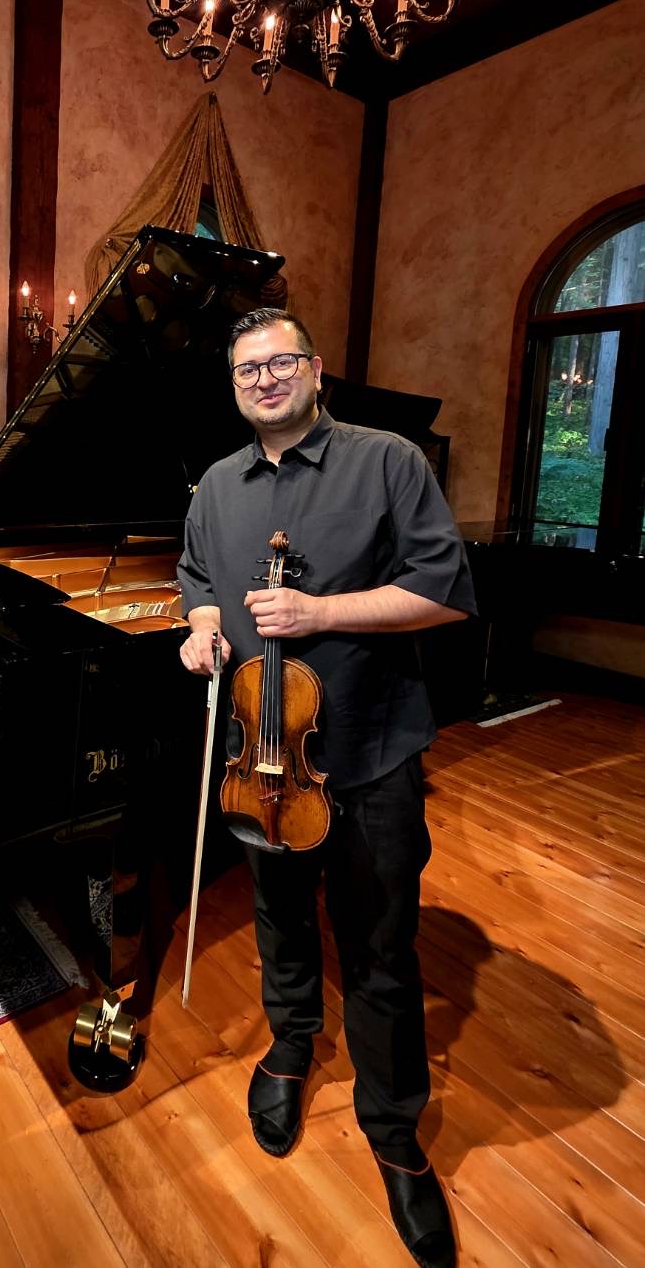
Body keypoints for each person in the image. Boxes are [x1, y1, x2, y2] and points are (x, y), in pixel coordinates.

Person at [177, 308, 476, 1268]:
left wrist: (320, 610)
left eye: (281, 362)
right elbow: (197, 577)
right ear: (234, 384)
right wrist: (200, 627)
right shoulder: (217, 485)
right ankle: (291, 1045)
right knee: (279, 914)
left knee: (380, 939)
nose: (264, 379)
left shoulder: (387, 461)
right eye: (246, 369)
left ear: (314, 371)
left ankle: (394, 1130)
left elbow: (443, 589)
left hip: (370, 749)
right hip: (262, 758)